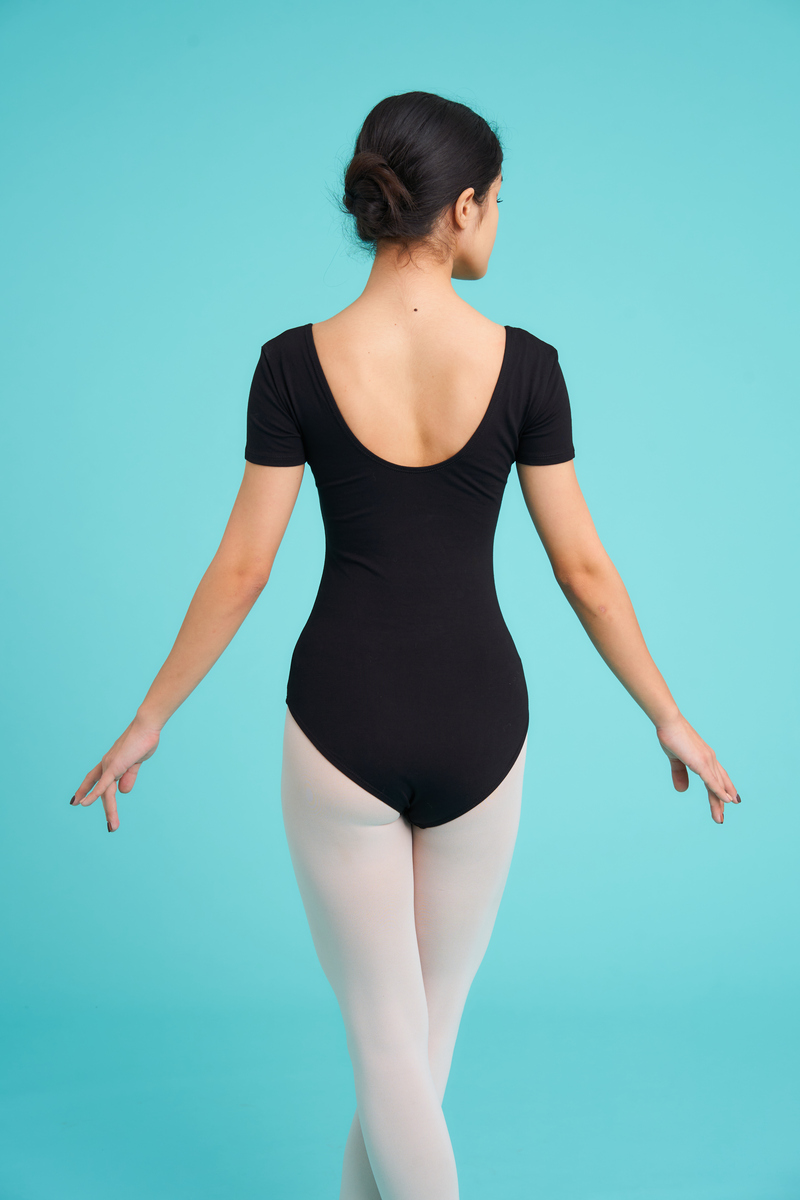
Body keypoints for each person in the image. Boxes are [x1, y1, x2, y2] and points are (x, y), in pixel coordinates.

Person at [69, 91, 740, 1200]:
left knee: (389, 1050)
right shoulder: (527, 365)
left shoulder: (292, 363)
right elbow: (583, 570)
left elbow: (242, 569)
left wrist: (151, 718)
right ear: (463, 207)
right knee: (420, 1049)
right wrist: (666, 715)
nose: (497, 223)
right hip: (480, 718)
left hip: (341, 716)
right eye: (498, 203)